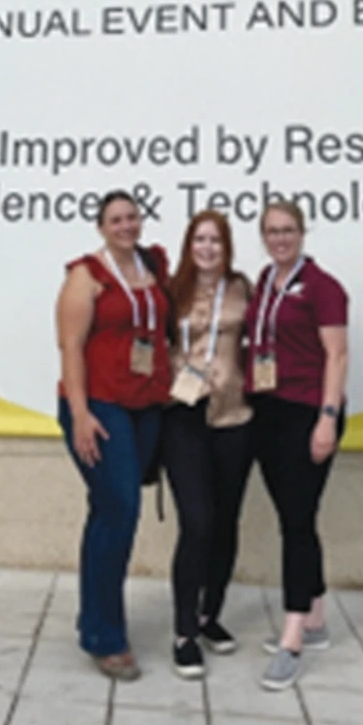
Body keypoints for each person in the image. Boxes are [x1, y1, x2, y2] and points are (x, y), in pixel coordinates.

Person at [56, 189, 171, 680]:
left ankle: (93, 617)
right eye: (115, 219)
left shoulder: (154, 263)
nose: (126, 225)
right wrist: (80, 413)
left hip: (146, 405)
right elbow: (70, 345)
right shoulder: (86, 276)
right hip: (101, 406)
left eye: (132, 217)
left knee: (108, 510)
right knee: (120, 510)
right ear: (101, 227)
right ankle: (105, 637)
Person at [247, 200, 349, 692]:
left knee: (296, 522)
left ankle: (291, 638)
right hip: (268, 411)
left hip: (309, 412)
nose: (280, 238)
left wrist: (327, 419)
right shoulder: (263, 282)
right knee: (297, 515)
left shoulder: (324, 288)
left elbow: (338, 354)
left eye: (288, 230)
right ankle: (316, 618)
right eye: (272, 231)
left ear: (303, 233)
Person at [161, 210, 254, 679]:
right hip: (184, 414)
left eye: (216, 240)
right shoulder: (170, 289)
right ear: (188, 244)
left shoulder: (243, 288)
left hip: (234, 416)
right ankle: (182, 630)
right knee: (196, 522)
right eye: (200, 239)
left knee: (225, 522)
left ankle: (208, 615)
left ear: (227, 246)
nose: (208, 248)